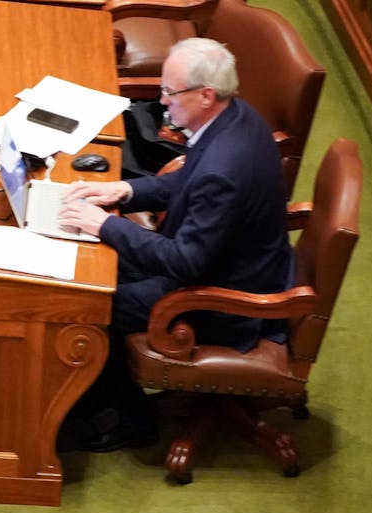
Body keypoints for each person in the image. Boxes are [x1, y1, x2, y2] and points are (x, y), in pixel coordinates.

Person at [54, 37, 294, 452]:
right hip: (223, 262)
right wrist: (122, 191)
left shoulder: (226, 167)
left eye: (170, 92)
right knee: (90, 264)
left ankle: (125, 419)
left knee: (94, 302)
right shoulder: (235, 117)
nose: (162, 103)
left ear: (205, 94)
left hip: (222, 300)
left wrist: (104, 226)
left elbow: (184, 262)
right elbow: (186, 181)